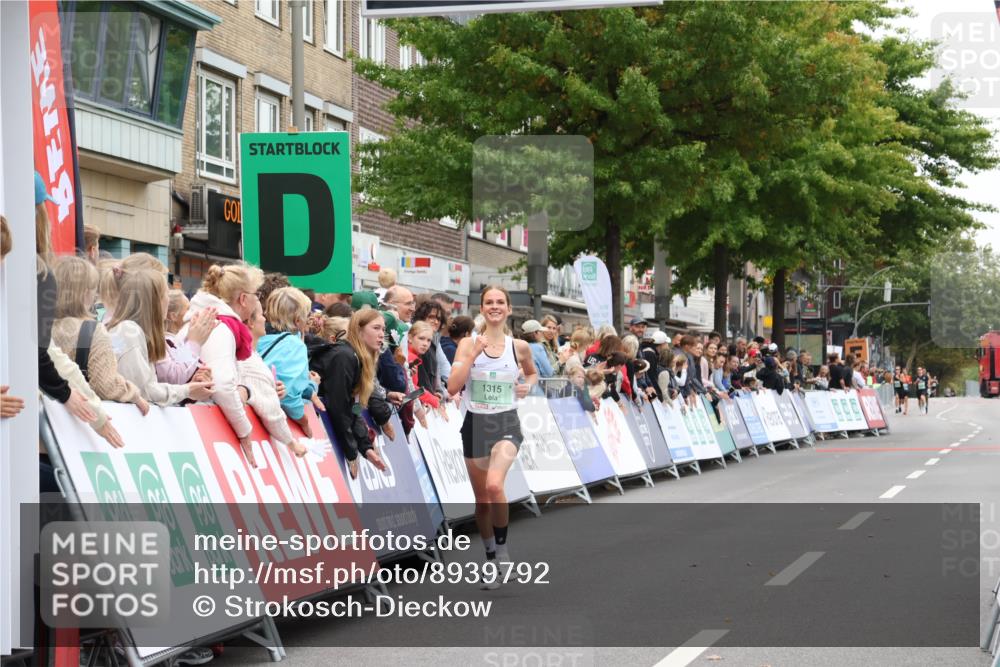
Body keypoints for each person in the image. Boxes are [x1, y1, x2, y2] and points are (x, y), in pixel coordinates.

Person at [446, 286, 538, 586]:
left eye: (500, 302)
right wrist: (473, 354)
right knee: (483, 502)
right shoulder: (467, 344)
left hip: (506, 422)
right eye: (489, 302)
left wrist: (527, 386)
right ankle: (490, 559)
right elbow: (452, 387)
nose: (495, 306)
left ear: (509, 309)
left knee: (495, 484)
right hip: (475, 424)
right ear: (482, 308)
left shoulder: (519, 347)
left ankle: (504, 555)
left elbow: (532, 373)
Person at [180, 263, 264, 465]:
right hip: (201, 427)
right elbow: (223, 386)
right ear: (243, 299)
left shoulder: (204, 320)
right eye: (257, 295)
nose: (257, 301)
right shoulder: (221, 328)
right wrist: (245, 431)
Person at [50, 256, 149, 415]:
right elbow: (106, 385)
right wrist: (133, 394)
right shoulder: (93, 330)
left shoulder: (41, 327)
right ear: (85, 293)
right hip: (81, 417)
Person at [107, 269, 214, 407]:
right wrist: (194, 343)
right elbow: (169, 377)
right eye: (166, 294)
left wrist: (190, 387)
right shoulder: (129, 331)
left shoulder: (145, 334)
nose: (168, 300)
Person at [314, 309, 389, 477]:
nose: (381, 334)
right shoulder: (344, 356)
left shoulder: (357, 358)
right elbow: (338, 408)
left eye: (383, 329)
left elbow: (354, 407)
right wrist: (351, 452)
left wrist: (366, 447)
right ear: (358, 330)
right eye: (376, 328)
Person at [239, 299, 307, 457]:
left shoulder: (251, 355)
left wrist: (272, 390)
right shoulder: (249, 362)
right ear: (251, 322)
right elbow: (270, 410)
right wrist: (293, 444)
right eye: (261, 315)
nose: (265, 319)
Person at [258, 287, 323, 436]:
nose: (308, 319)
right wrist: (304, 422)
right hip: (275, 424)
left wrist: (310, 387)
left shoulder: (257, 335)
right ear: (298, 320)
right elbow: (288, 395)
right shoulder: (294, 345)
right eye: (307, 315)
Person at [413, 299, 451, 389]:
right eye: (431, 317)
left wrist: (445, 391)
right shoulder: (414, 338)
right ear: (421, 317)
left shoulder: (435, 340)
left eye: (438, 319)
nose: (436, 322)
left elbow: (444, 368)